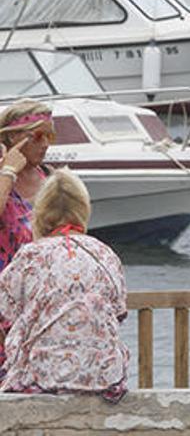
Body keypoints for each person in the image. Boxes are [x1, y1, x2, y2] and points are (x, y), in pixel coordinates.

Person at [0, 168, 128, 402]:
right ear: (83, 209)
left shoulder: (30, 255)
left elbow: (5, 310)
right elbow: (118, 312)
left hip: (41, 379)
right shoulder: (105, 253)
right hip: (104, 379)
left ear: (40, 212)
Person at [0, 99, 53, 271]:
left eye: (49, 136)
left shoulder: (51, 177)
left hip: (43, 285)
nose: (45, 144)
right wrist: (8, 173)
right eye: (37, 136)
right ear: (12, 136)